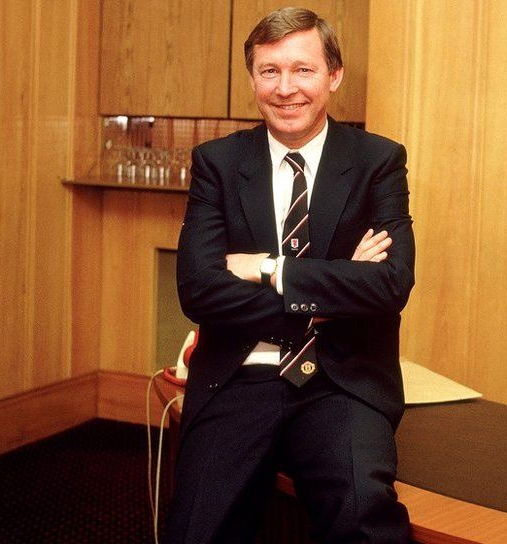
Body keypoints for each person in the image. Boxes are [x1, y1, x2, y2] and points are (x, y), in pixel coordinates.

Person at [164, 6, 415, 543]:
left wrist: (269, 269)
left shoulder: (378, 161)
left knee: (363, 516)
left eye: (303, 69)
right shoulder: (218, 163)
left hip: (339, 380)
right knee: (195, 528)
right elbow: (199, 291)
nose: (286, 88)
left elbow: (392, 284)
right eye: (269, 71)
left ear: (334, 75)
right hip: (239, 375)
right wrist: (334, 288)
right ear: (253, 78)